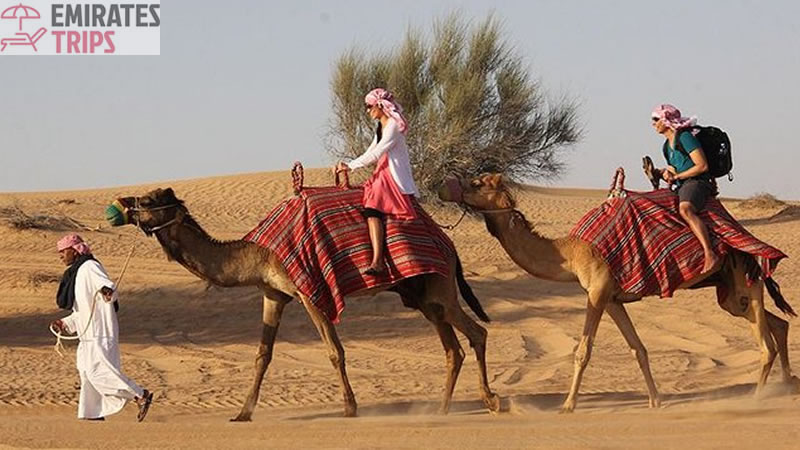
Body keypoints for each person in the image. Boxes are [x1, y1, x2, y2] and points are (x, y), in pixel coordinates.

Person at [50, 233, 153, 421]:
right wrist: (65, 323)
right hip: (87, 334)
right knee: (86, 372)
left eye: (63, 251)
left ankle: (140, 394)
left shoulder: (90, 267)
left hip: (100, 332)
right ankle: (93, 413)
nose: (60, 256)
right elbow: (82, 310)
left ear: (74, 251)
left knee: (98, 372)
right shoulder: (77, 273)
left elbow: (107, 286)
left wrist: (107, 292)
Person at [335, 88, 419, 276]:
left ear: (380, 105)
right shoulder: (381, 126)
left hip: (391, 174)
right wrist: (349, 164)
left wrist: (350, 166)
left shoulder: (393, 126)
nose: (367, 111)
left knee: (372, 209)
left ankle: (378, 261)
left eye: (369, 106)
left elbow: (377, 152)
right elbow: (370, 150)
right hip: (382, 171)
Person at [651, 104, 720, 274]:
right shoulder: (667, 146)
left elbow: (702, 165)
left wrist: (677, 177)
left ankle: (709, 253)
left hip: (697, 182)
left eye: (656, 119)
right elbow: (675, 169)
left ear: (666, 120)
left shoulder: (685, 138)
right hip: (682, 184)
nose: (653, 124)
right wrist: (661, 173)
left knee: (685, 209)